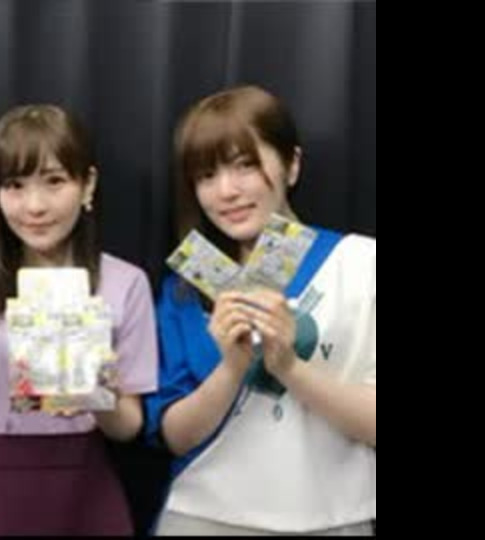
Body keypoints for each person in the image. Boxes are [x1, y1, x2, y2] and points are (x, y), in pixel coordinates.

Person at [0, 104, 159, 535]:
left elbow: (128, 428)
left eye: (54, 181)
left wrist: (99, 390)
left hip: (86, 491)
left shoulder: (125, 281)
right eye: (14, 185)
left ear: (88, 184)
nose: (34, 206)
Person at [144, 85, 376, 535]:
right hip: (202, 514)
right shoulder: (186, 289)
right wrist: (232, 368)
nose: (226, 191)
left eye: (245, 165)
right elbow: (174, 436)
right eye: (206, 175)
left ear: (292, 164)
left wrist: (288, 367)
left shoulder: (361, 263)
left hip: (333, 517)